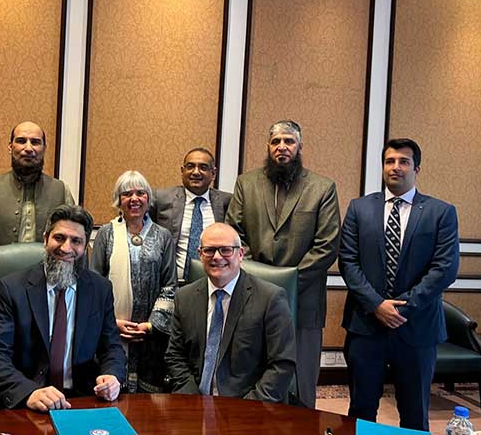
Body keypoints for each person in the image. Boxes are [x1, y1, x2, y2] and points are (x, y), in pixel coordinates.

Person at [339, 138, 459, 431]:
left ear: (417, 168)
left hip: (417, 328)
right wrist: (377, 305)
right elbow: (348, 262)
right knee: (361, 410)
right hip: (366, 326)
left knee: (415, 412)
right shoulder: (359, 208)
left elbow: (445, 269)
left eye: (403, 161)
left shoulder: (441, 212)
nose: (396, 167)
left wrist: (402, 308)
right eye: (390, 161)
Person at [226, 120, 340, 408]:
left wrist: (285, 285)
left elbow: (327, 244)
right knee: (253, 377)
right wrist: (261, 284)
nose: (282, 147)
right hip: (251, 296)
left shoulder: (322, 188)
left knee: (300, 384)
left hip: (304, 299)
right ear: (268, 147)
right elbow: (234, 235)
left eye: (289, 141)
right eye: (276, 142)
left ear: (300, 147)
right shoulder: (246, 183)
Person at [0, 205, 126, 412]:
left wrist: (112, 375)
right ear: (45, 238)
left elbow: (111, 347)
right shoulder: (11, 288)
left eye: (76, 241)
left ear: (85, 247)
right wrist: (28, 392)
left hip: (80, 399)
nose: (66, 248)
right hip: (26, 398)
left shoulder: (100, 289)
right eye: (59, 238)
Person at [0, 121, 75, 325]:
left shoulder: (61, 191)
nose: (28, 148)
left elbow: (75, 248)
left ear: (44, 148)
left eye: (35, 142)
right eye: (21, 141)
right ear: (10, 146)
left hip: (47, 296)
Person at [165, 223, 296, 402]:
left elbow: (282, 365)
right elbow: (175, 355)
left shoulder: (270, 298)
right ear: (200, 254)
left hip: (249, 407)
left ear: (240, 254)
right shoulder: (184, 297)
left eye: (226, 250)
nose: (217, 257)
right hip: (194, 403)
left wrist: (245, 410)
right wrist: (193, 401)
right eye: (209, 250)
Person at [91, 171, 177, 393]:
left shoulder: (163, 236)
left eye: (140, 193)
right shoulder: (106, 234)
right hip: (112, 331)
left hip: (151, 336)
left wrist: (151, 325)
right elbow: (94, 285)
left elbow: (170, 286)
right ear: (118, 201)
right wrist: (112, 322)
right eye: (127, 194)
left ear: (148, 199)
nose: (134, 199)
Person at [150, 147, 232, 286]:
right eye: (190, 167)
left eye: (203, 167)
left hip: (213, 283)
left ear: (213, 173)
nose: (196, 172)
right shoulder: (160, 198)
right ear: (182, 171)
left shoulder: (227, 201)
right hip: (171, 283)